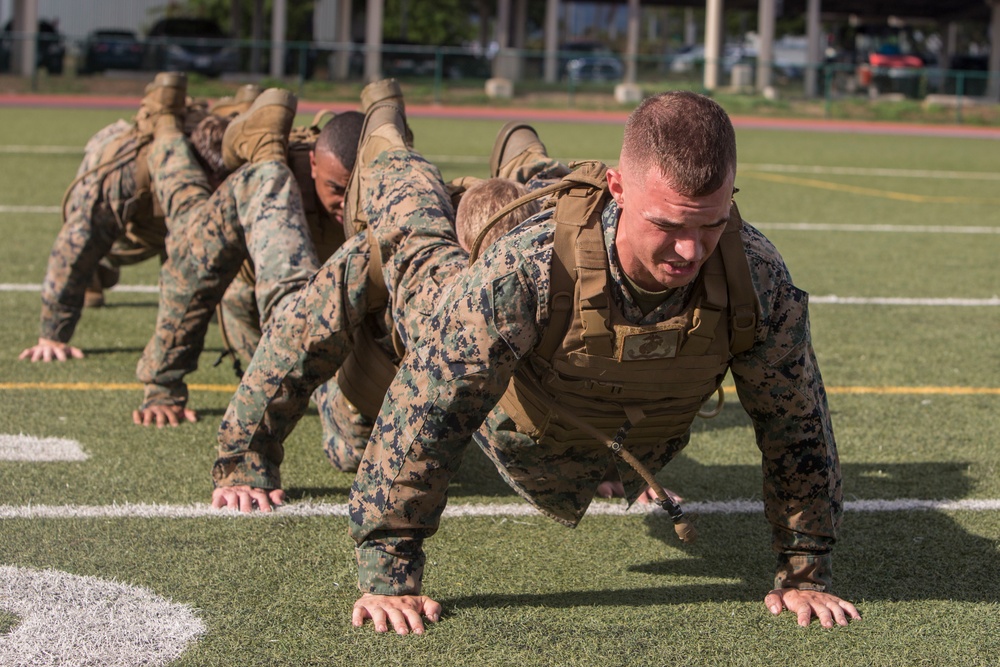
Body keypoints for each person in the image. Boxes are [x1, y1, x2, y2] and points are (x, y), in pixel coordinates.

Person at [344, 88, 860, 634]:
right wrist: (389, 572)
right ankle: (391, 148)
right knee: (420, 256)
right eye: (667, 225)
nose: (690, 250)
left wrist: (805, 571)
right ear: (617, 188)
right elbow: (430, 408)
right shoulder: (525, 270)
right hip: (509, 416)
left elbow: (796, 426)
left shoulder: (754, 276)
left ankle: (526, 160)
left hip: (610, 437)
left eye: (710, 223)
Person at [210, 133, 543, 511]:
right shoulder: (394, 252)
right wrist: (244, 464)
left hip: (437, 390)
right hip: (351, 375)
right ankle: (267, 161)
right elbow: (298, 337)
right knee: (288, 302)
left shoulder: (548, 270)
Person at [131, 74, 363, 427]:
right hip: (239, 275)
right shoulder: (277, 186)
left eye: (354, 192)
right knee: (184, 203)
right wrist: (163, 386)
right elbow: (187, 283)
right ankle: (165, 122)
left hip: (302, 299)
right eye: (335, 189)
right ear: (314, 165)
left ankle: (248, 120)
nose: (345, 203)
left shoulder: (381, 197)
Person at [17, 76, 231, 363]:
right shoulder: (123, 177)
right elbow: (74, 246)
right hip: (126, 219)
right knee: (95, 247)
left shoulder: (234, 172)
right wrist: (52, 335)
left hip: (175, 225)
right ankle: (95, 276)